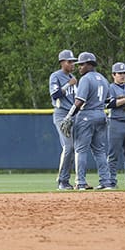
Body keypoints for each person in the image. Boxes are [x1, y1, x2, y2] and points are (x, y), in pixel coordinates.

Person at [61, 52, 111, 190]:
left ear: (90, 64)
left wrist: (68, 116)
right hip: (101, 115)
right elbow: (108, 101)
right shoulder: (103, 79)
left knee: (80, 150)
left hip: (86, 116)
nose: (79, 67)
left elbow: (79, 102)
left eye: (82, 64)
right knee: (100, 151)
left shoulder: (86, 79)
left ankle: (80, 182)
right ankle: (106, 182)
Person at [49, 49, 78, 190]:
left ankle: (76, 180)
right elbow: (55, 94)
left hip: (73, 115)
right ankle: (62, 181)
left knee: (75, 148)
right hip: (61, 115)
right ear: (62, 63)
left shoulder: (73, 77)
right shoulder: (56, 76)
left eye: (73, 61)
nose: (72, 64)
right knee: (68, 147)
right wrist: (69, 84)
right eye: (69, 61)